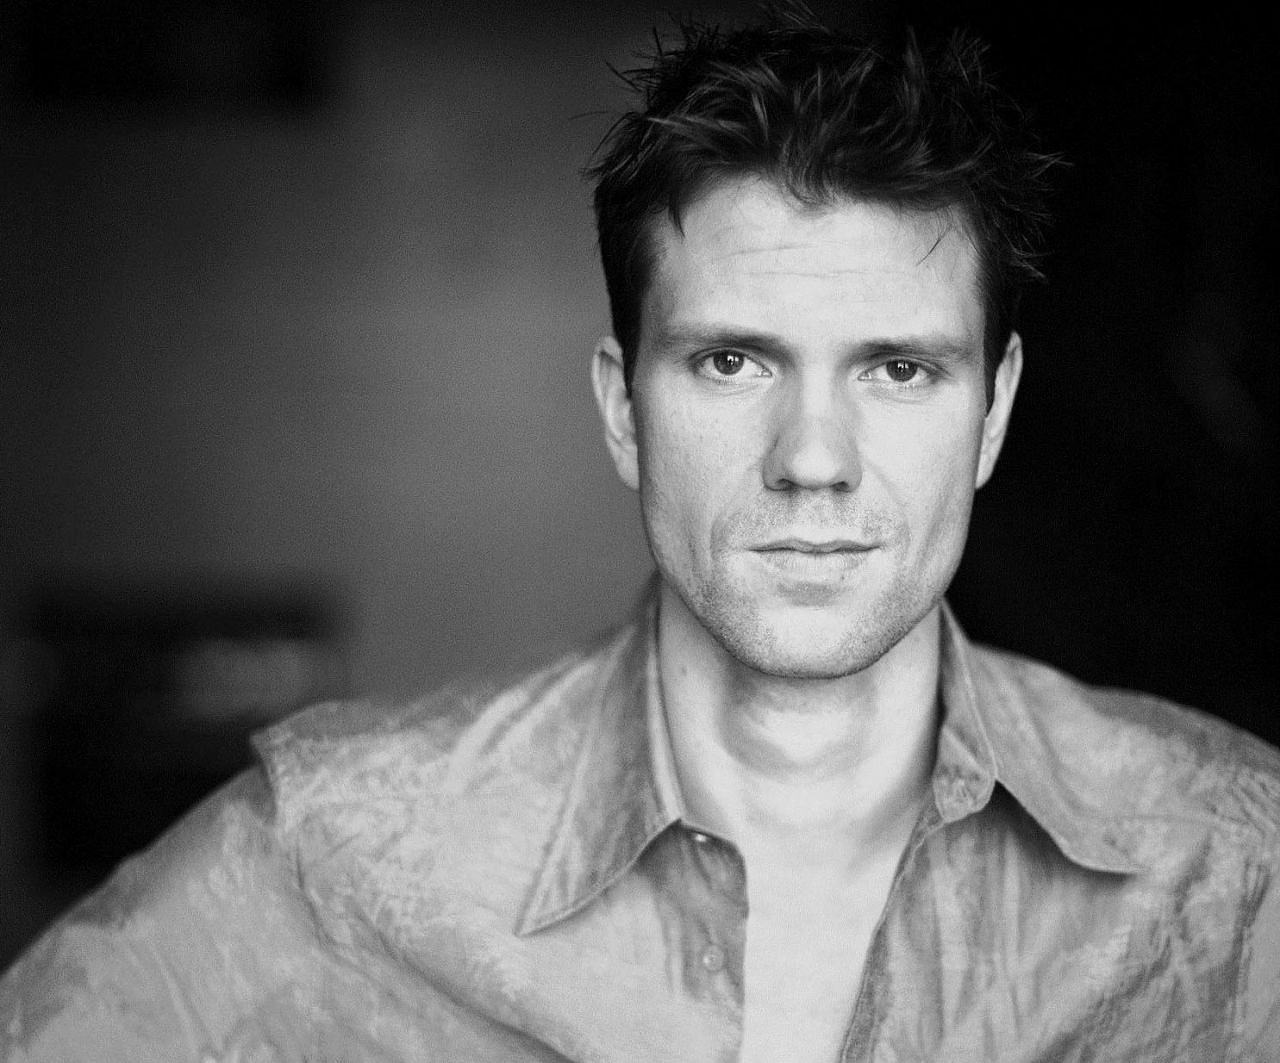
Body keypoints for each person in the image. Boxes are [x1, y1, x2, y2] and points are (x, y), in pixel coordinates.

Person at [3, 9, 1278, 1062]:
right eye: (731, 361)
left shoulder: (1230, 858)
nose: (813, 457)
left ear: (990, 414)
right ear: (623, 410)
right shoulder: (338, 848)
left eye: (896, 370)